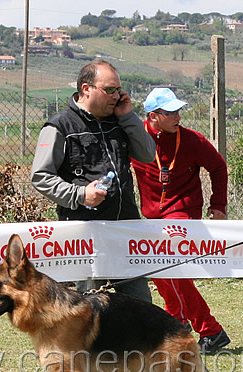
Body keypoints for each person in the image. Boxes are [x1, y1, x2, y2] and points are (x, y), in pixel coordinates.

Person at [31, 60, 154, 303]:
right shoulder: (60, 126)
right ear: (86, 88)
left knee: (141, 307)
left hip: (125, 228)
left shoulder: (119, 120)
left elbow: (148, 154)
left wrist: (128, 116)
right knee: (92, 309)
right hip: (85, 234)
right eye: (109, 90)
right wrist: (79, 195)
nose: (116, 96)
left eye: (118, 90)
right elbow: (40, 177)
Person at [131, 87, 231, 354]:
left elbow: (218, 167)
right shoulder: (136, 138)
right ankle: (178, 321)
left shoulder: (192, 140)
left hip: (182, 212)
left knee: (170, 266)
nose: (178, 117)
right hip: (152, 214)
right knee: (162, 270)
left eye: (178, 111)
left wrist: (218, 204)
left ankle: (209, 329)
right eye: (171, 112)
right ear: (153, 116)